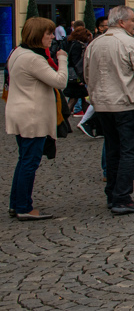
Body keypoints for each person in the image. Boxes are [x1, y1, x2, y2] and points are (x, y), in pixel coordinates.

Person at [84, 5, 134, 215]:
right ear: (122, 22)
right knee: (131, 150)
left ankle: (112, 194)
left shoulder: (94, 44)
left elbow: (87, 74)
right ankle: (122, 197)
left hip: (103, 106)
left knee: (113, 148)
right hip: (126, 103)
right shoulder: (130, 43)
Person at [6, 17, 68, 220]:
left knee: (24, 160)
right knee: (29, 162)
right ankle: (24, 207)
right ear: (37, 35)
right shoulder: (33, 58)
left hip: (21, 111)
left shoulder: (18, 52)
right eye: (48, 33)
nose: (52, 37)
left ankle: (17, 204)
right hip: (32, 115)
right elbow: (60, 81)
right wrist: (62, 59)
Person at [63, 27, 92, 120]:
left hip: (72, 73)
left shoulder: (70, 43)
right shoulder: (79, 45)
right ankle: (63, 121)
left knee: (81, 97)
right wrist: (82, 77)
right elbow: (77, 62)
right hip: (76, 75)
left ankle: (88, 120)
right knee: (74, 98)